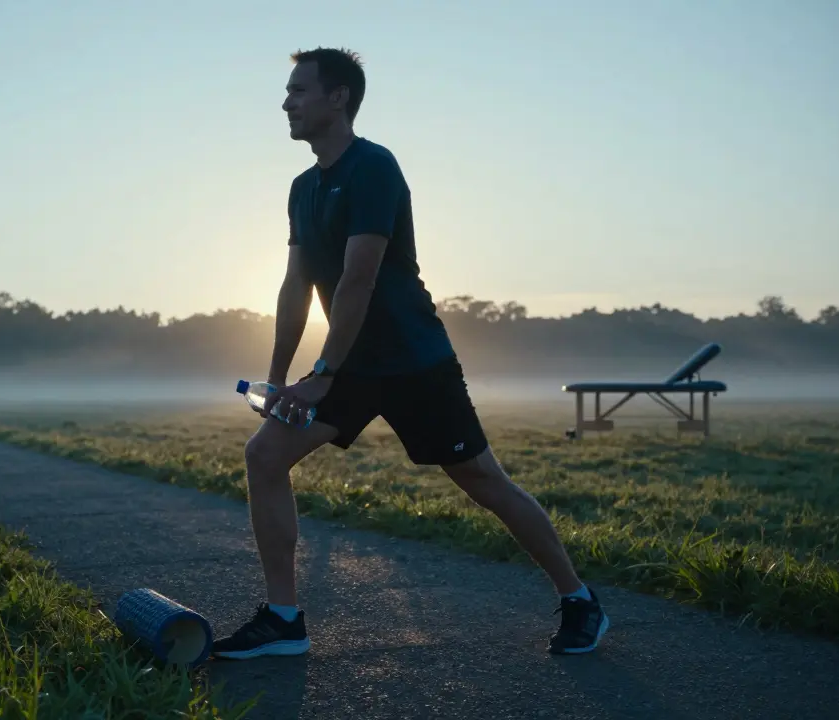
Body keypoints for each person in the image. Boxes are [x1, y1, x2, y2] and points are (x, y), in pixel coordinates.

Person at [209, 47, 610, 661]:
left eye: (298, 90)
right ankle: (284, 620)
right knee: (265, 454)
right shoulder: (301, 188)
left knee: (482, 480)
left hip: (412, 359)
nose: (286, 102)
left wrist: (322, 373)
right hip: (347, 365)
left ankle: (580, 599)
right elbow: (295, 287)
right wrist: (276, 379)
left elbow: (359, 279)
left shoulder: (374, 166)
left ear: (338, 97)